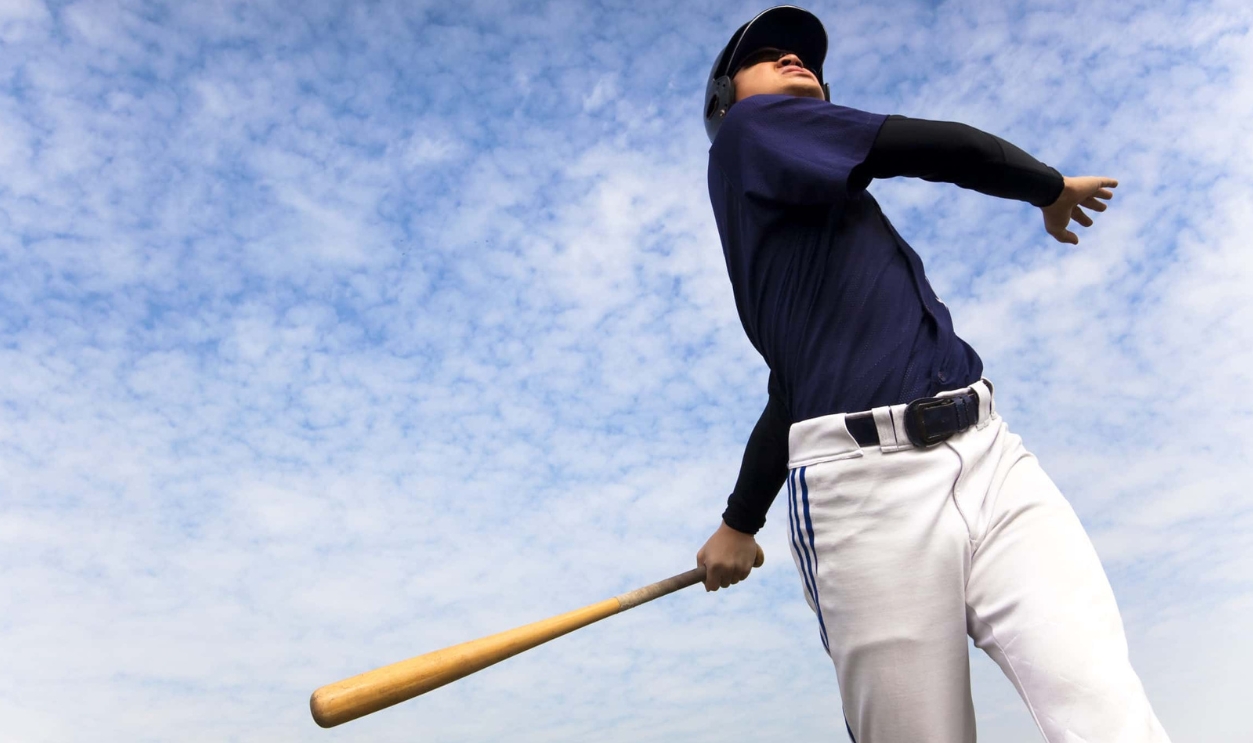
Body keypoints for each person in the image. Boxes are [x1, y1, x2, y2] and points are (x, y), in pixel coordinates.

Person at [693, 6, 1170, 742]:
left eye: (805, 56)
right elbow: (928, 144)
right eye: (766, 55)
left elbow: (789, 388)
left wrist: (738, 522)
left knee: (1110, 713)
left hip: (990, 454)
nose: (795, 58)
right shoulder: (748, 132)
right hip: (865, 489)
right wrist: (1049, 188)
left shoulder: (816, 217)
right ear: (725, 100)